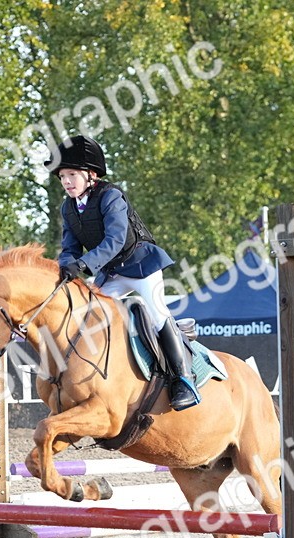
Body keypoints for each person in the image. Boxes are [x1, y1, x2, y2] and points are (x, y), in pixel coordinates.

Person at [46, 134, 200, 411]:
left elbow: (115, 240)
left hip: (141, 266)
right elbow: (70, 246)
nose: (66, 181)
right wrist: (65, 266)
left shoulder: (110, 196)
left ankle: (183, 380)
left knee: (156, 314)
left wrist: (83, 265)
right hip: (111, 272)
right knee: (89, 318)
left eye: (71, 174)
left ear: (91, 174)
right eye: (62, 177)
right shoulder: (68, 207)